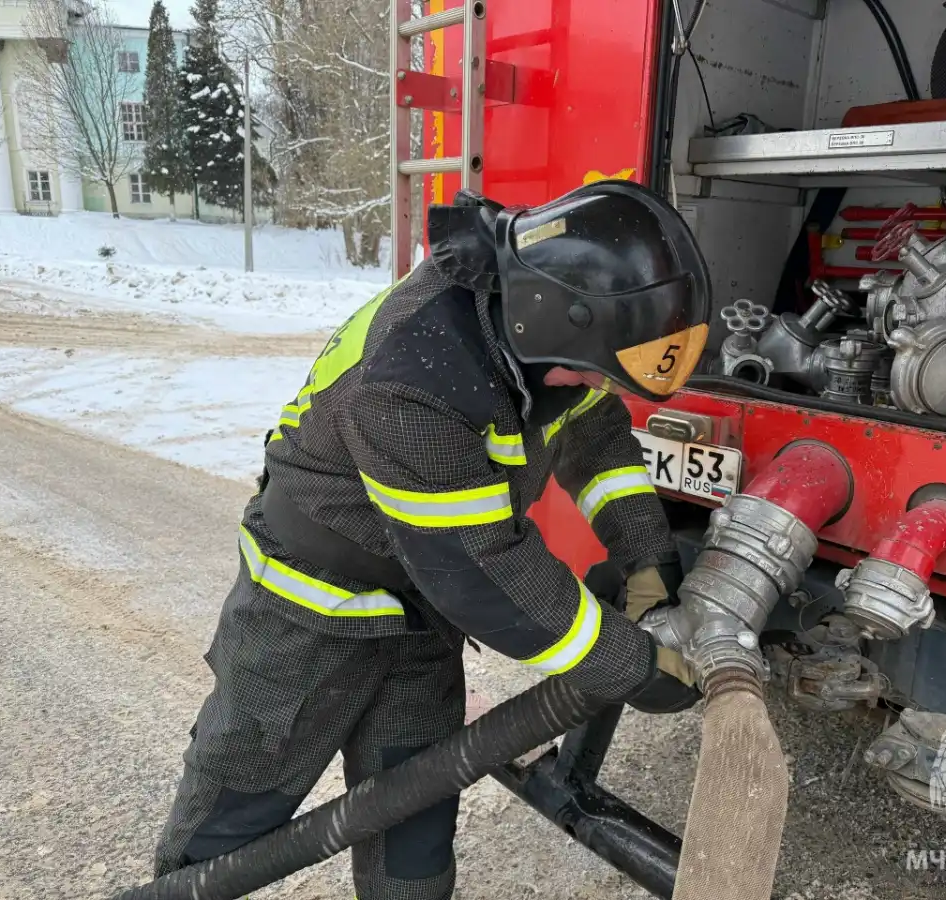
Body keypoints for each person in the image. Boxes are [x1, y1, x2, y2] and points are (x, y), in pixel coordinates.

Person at [153, 179, 713, 899]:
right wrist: (630, 665)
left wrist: (648, 555)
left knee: (412, 831)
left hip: (421, 611)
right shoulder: (414, 377)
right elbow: (487, 574)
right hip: (306, 613)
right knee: (236, 817)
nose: (593, 386)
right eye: (589, 372)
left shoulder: (552, 340)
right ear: (549, 327)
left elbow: (597, 441)